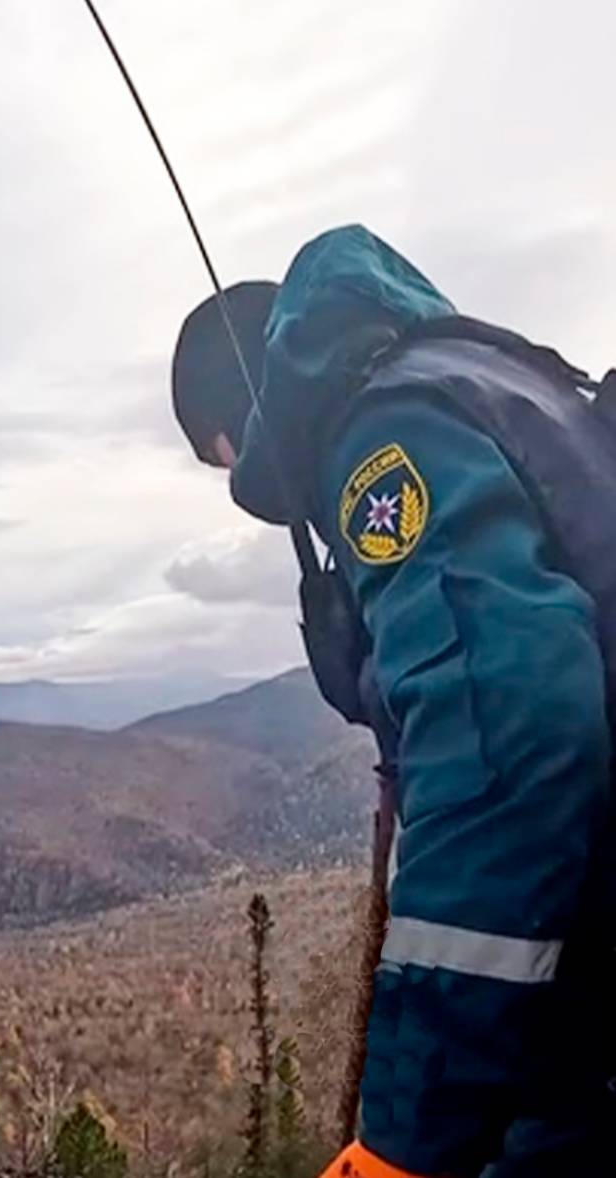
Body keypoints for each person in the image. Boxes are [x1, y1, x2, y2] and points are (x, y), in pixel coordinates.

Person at [170, 225, 616, 1177]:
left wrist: (407, 1138)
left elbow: (512, 738)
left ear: (229, 428)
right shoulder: (479, 378)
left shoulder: (381, 437)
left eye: (219, 464)